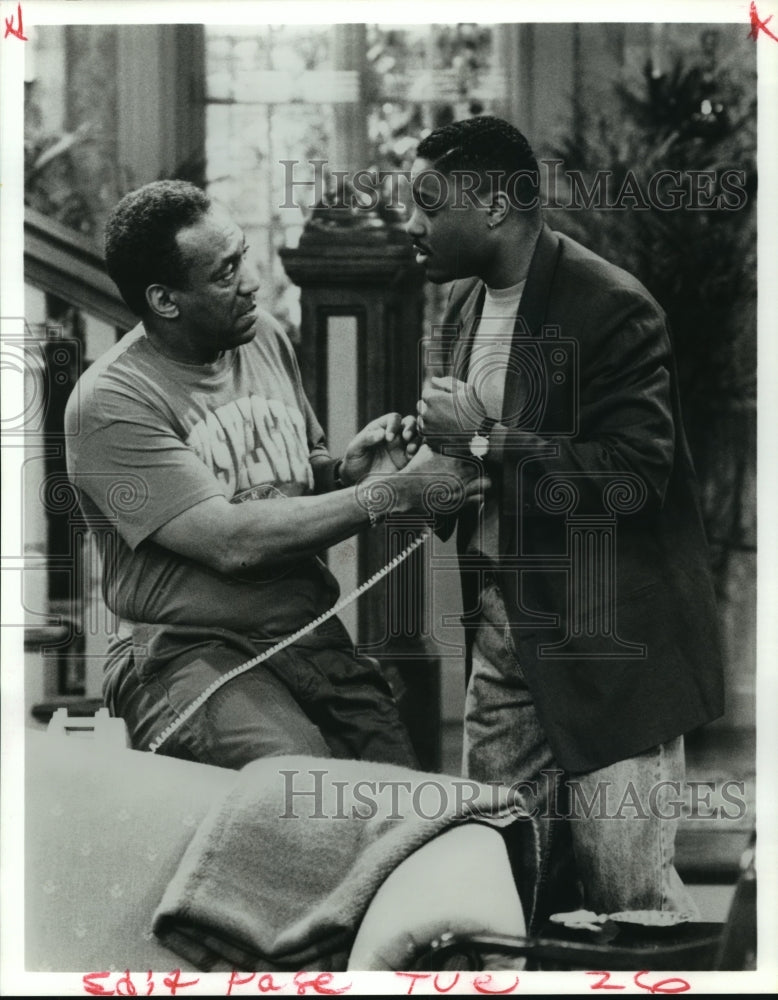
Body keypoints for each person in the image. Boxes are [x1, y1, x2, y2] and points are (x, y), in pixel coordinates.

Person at [407, 116, 725, 928]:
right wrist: (437, 461)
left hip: (609, 647)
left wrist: (481, 435)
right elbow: (489, 460)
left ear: (492, 207)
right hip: (506, 642)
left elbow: (633, 478)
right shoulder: (461, 306)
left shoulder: (614, 307)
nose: (412, 225)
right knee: (499, 895)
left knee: (629, 906)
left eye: (426, 203)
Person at [65, 179, 480, 771]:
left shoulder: (261, 337)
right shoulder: (110, 401)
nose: (252, 282)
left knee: (401, 798)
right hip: (189, 651)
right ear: (164, 300)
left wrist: (343, 472)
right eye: (225, 271)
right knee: (299, 793)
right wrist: (393, 492)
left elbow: (285, 479)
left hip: (307, 633)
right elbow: (235, 542)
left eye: (243, 257)